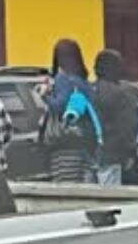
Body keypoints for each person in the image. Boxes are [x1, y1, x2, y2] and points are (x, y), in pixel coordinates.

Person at [41, 39, 102, 183]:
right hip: (85, 143)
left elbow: (60, 106)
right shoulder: (83, 82)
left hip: (65, 145)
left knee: (66, 189)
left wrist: (45, 97)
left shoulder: (62, 79)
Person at [92, 49, 138, 186]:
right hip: (112, 153)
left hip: (87, 154)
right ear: (114, 69)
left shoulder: (89, 89)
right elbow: (128, 125)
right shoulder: (120, 94)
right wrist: (131, 151)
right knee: (109, 196)